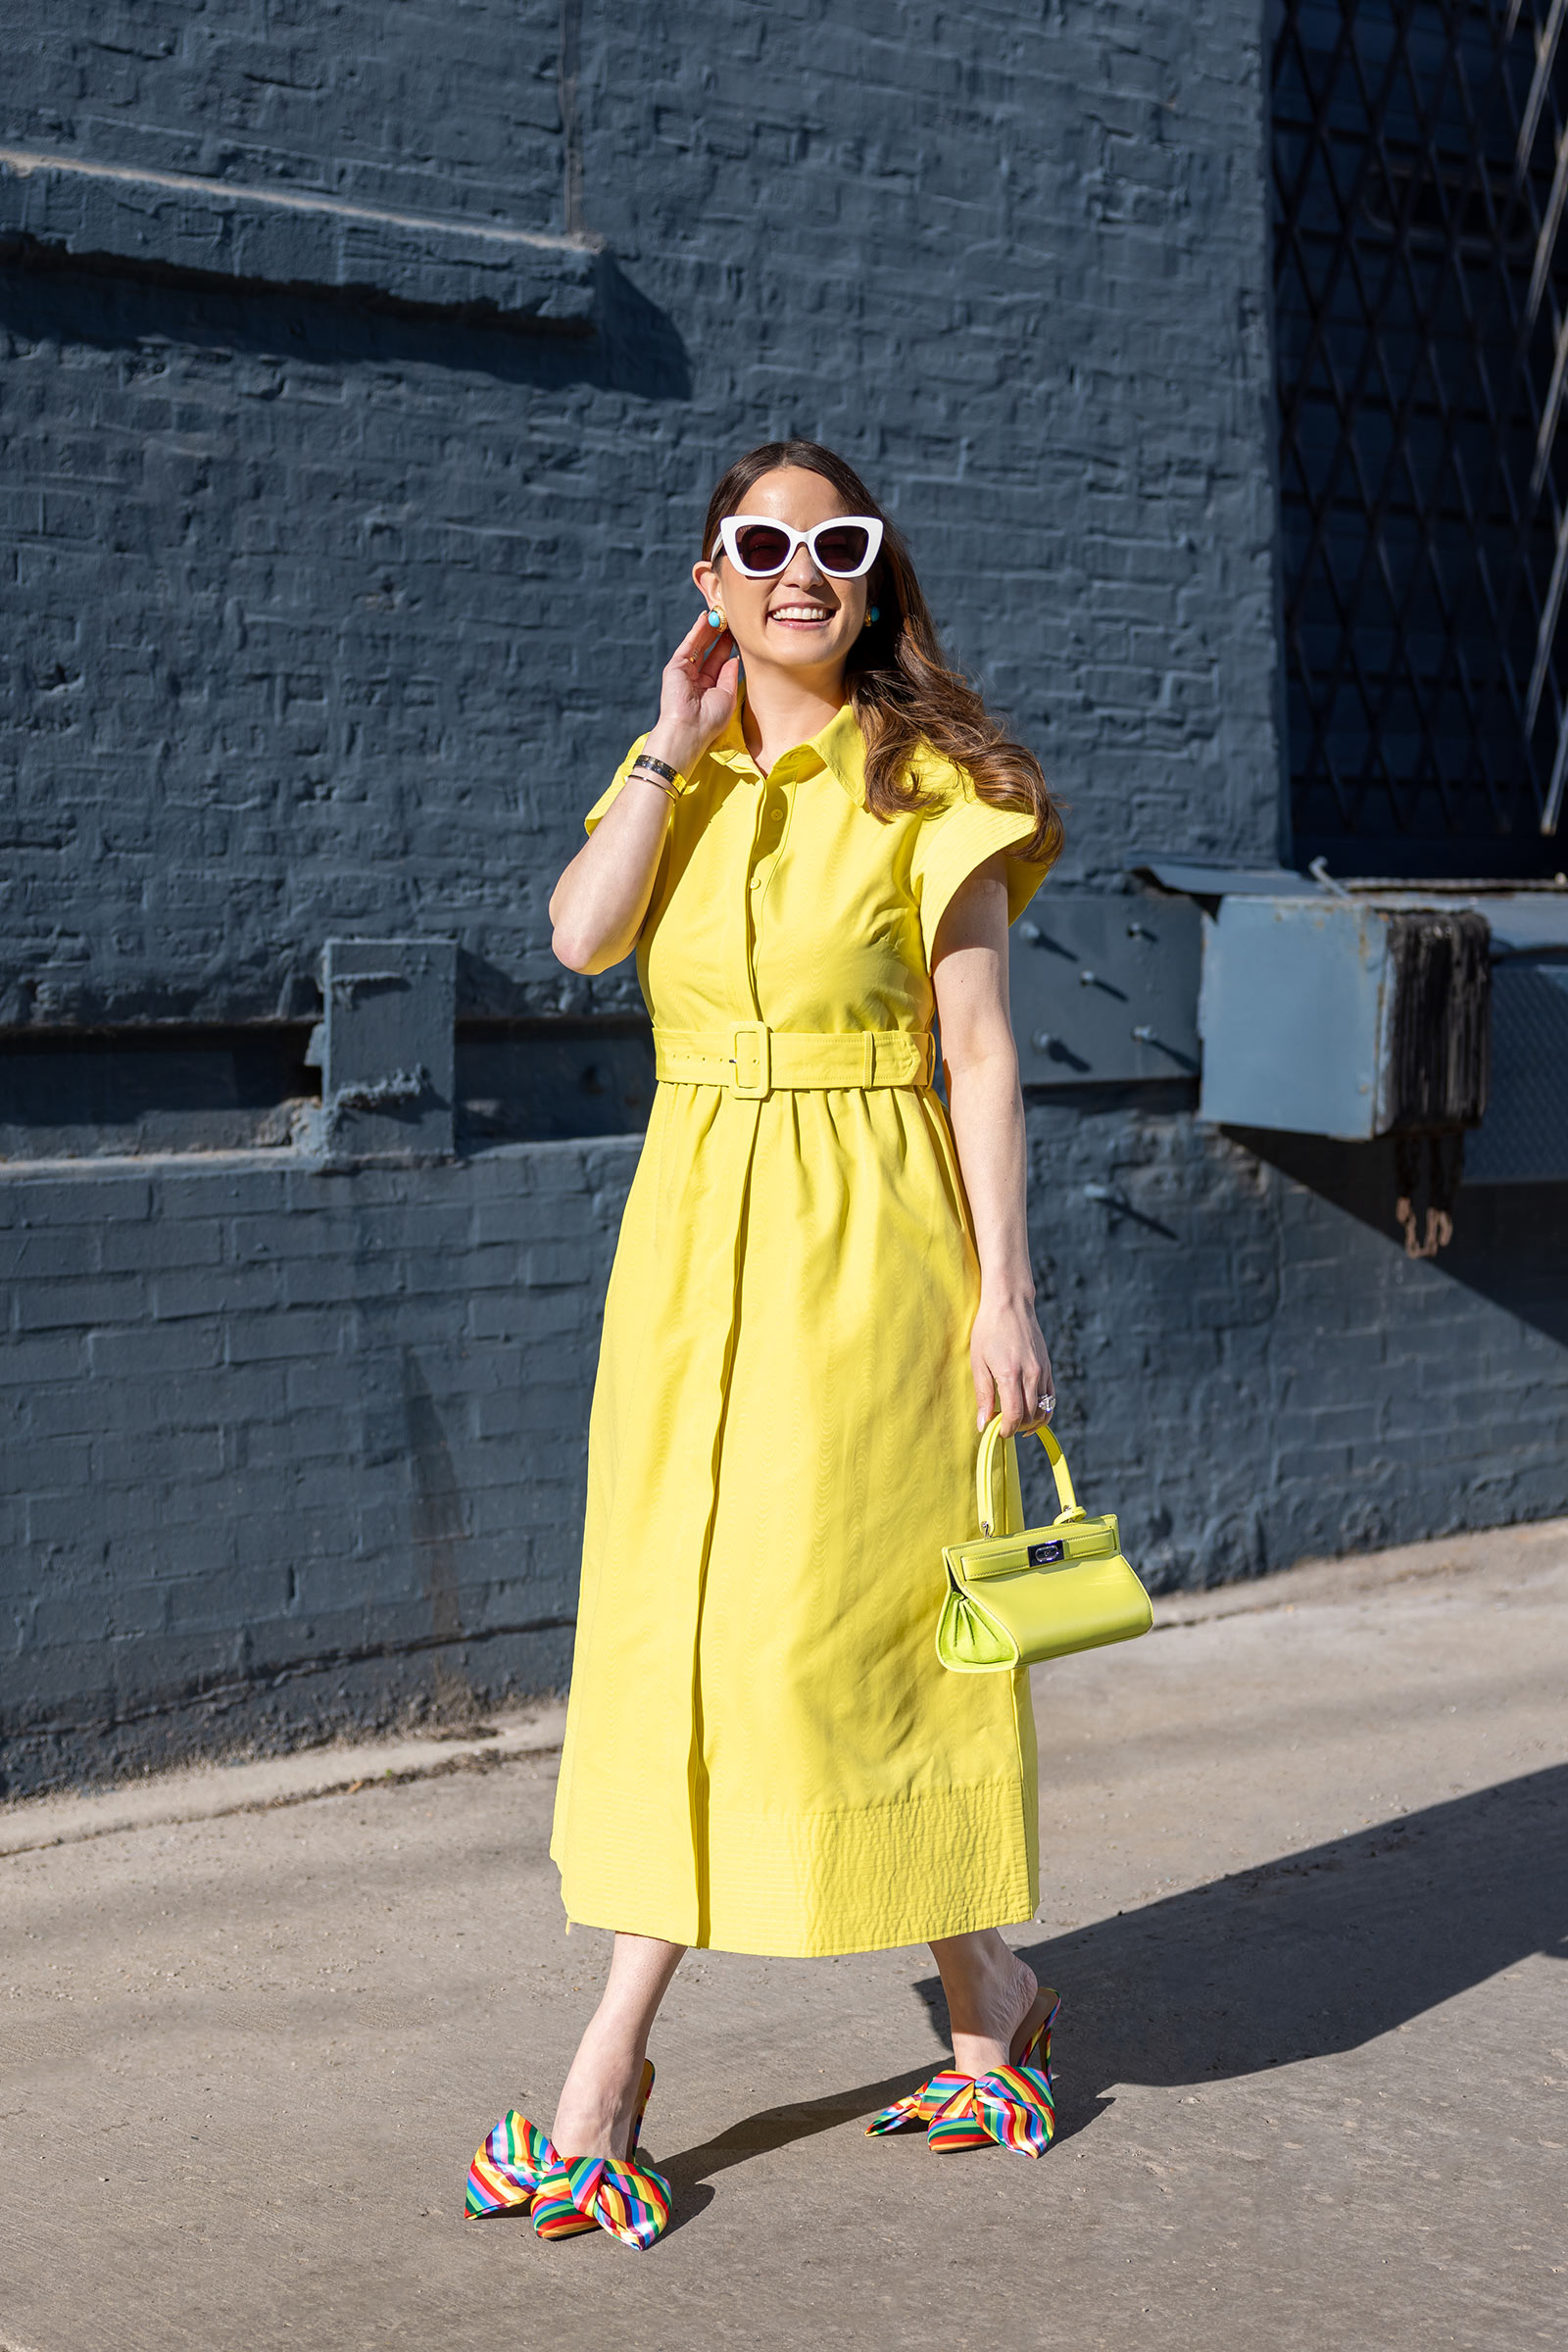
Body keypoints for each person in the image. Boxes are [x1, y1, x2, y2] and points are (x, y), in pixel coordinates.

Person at [465, 439, 1065, 2248]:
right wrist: (669, 737)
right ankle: (996, 1998)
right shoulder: (679, 778)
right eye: (762, 545)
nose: (801, 570)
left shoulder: (932, 784)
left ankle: (604, 2072)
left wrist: (1008, 1298)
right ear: (709, 579)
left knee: (811, 1640)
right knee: (692, 1633)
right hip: (688, 1243)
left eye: (837, 546)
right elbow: (580, 940)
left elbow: (978, 1058)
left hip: (866, 1246)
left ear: (876, 582)